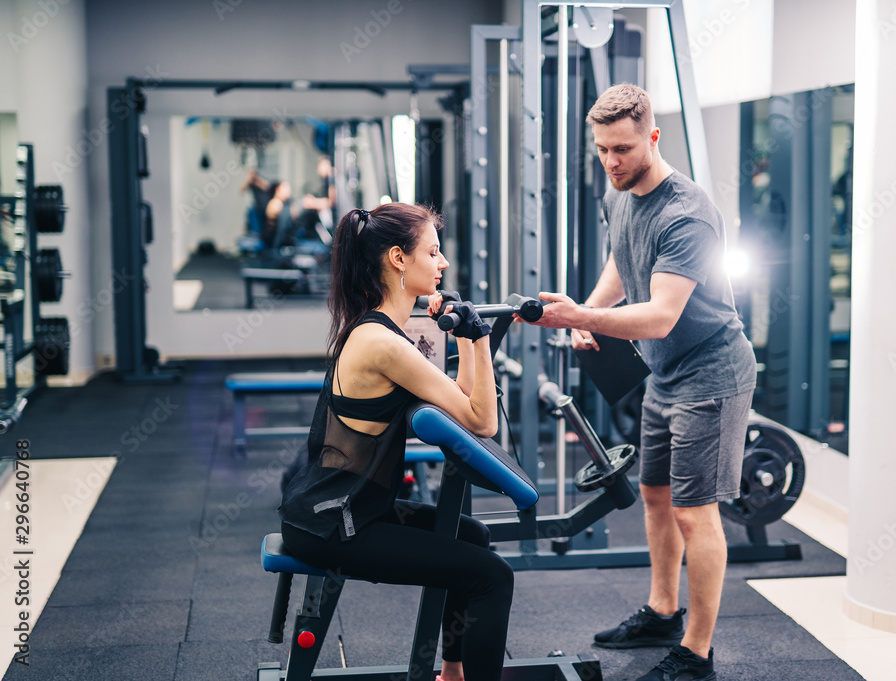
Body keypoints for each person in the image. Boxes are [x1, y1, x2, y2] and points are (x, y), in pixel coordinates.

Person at [525, 84, 756, 681]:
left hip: (711, 372)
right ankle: (662, 610)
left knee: (693, 512)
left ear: (653, 136)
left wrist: (580, 317)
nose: (611, 161)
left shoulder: (689, 212)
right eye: (601, 149)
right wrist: (592, 308)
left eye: (623, 148)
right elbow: (622, 262)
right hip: (664, 371)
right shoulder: (619, 192)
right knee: (653, 494)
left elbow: (659, 313)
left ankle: (696, 653)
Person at [278, 203, 511, 681]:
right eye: (434, 251)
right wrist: (482, 338)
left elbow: (461, 403)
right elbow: (483, 420)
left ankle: (452, 673)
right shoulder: (383, 343)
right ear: (398, 259)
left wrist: (464, 336)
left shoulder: (382, 328)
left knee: (474, 537)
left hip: (353, 506)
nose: (443, 262)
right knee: (492, 576)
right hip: (336, 523)